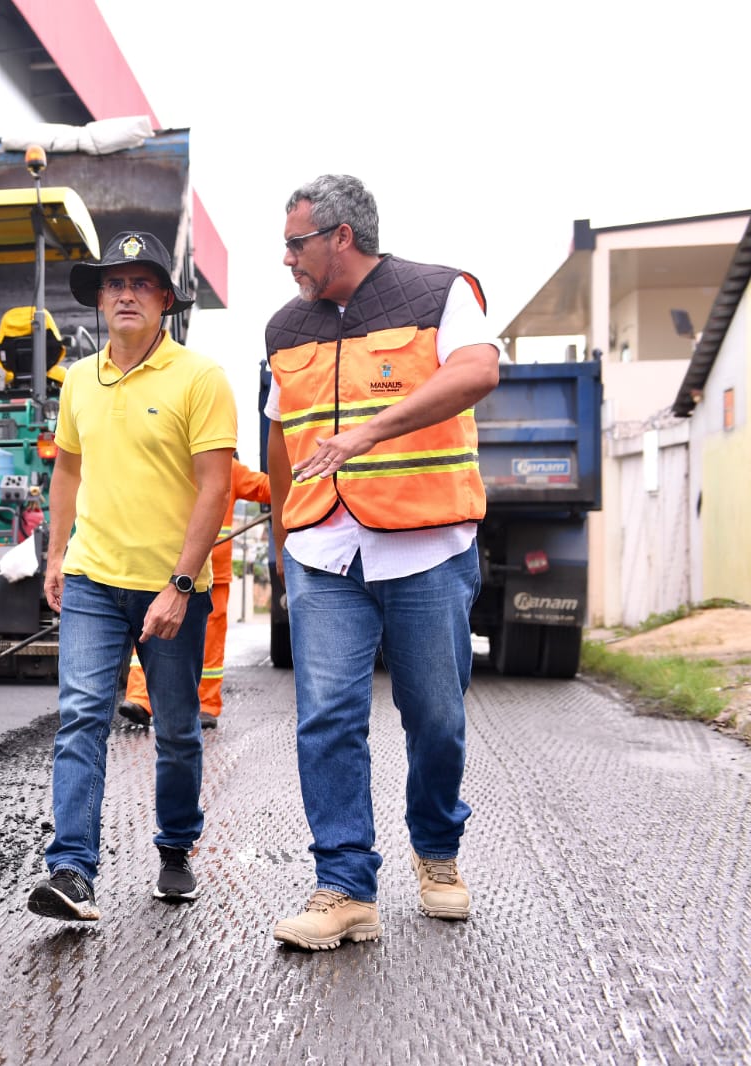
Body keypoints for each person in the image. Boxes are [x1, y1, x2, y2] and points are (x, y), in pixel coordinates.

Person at [264, 175, 499, 951]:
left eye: (296, 242)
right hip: (324, 552)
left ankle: (436, 848)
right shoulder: (283, 326)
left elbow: (477, 372)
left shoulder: (440, 293)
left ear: (341, 236)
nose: (287, 258)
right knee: (327, 718)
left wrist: (368, 433)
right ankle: (345, 886)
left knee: (435, 717)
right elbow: (280, 439)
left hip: (425, 548)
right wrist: (282, 534)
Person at [26, 231, 237, 922]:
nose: (124, 294)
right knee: (80, 717)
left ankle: (175, 848)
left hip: (171, 586)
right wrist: (57, 555)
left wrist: (181, 584)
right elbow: (67, 470)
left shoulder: (200, 379)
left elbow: (215, 487)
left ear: (165, 300)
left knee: (176, 729)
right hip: (92, 578)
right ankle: (72, 870)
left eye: (141, 283)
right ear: (98, 298)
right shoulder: (78, 380)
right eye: (113, 283)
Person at [119, 455, 271, 730]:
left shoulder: (182, 461)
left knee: (156, 632)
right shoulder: (227, 468)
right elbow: (270, 488)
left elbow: (271, 488)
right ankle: (156, 700)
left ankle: (162, 701)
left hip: (182, 570)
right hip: (185, 571)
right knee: (183, 638)